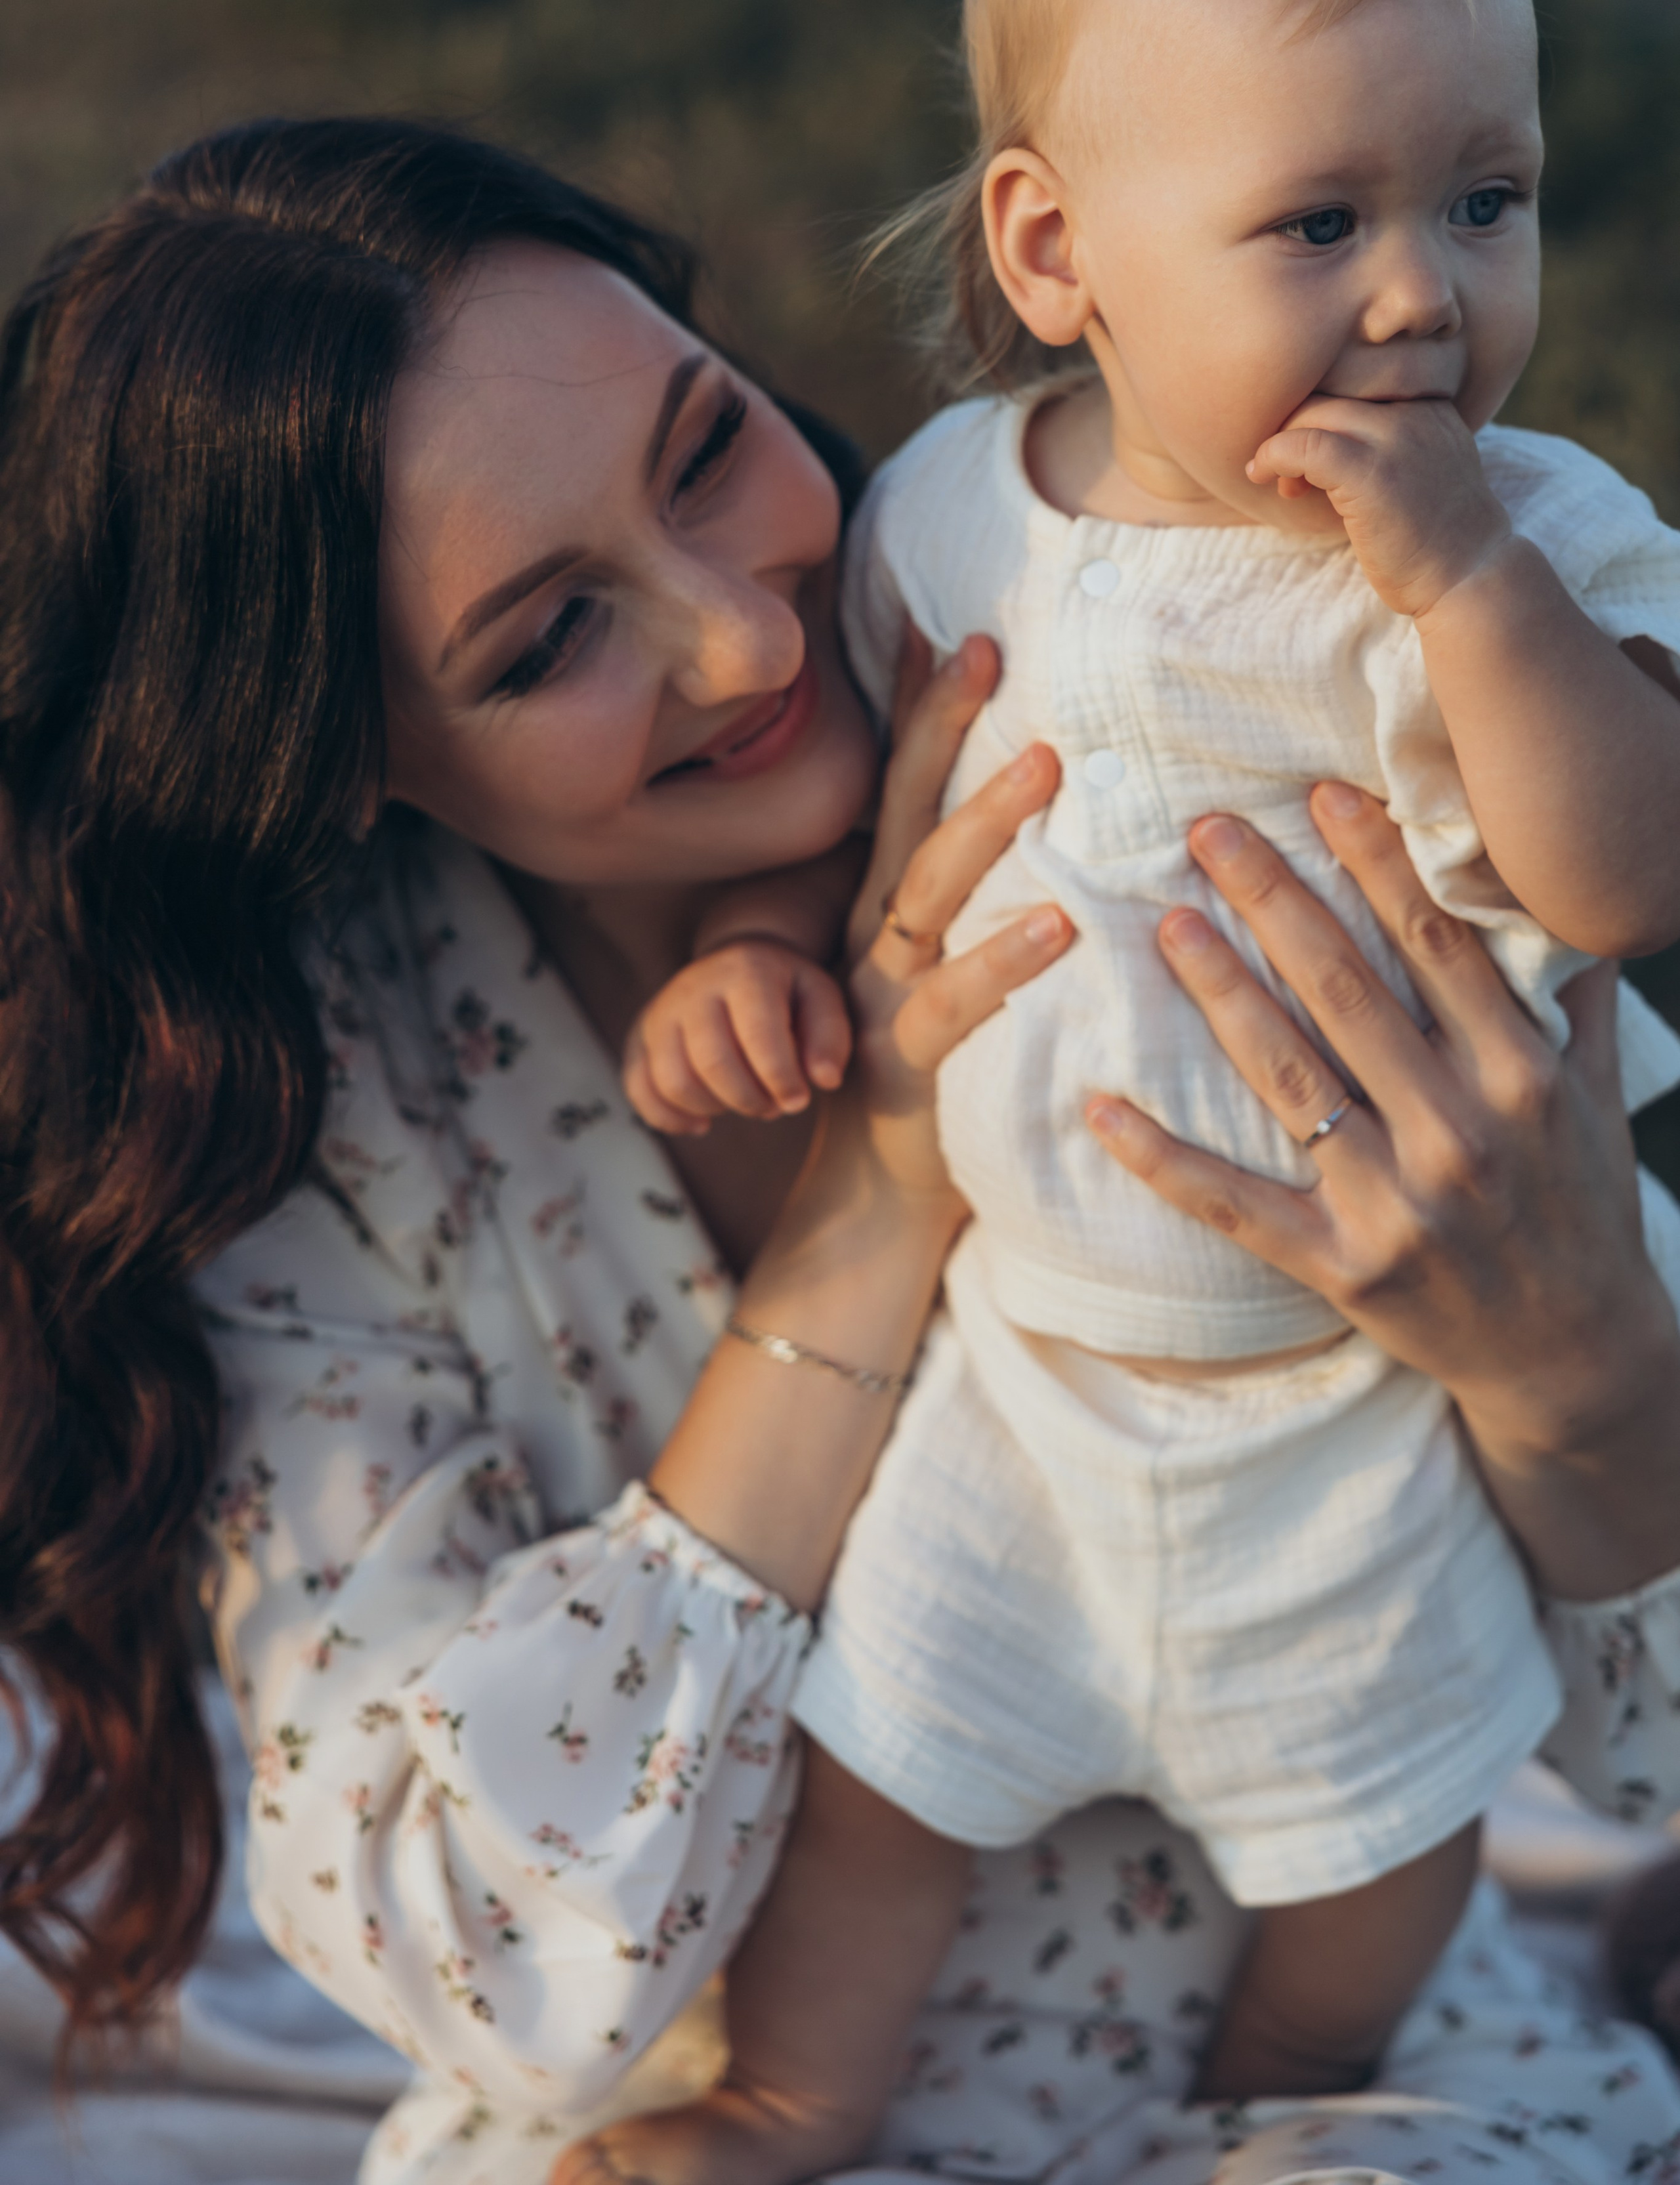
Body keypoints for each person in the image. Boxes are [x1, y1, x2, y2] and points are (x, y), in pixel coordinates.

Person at [0, 118, 1678, 2185]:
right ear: (345, 762)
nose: (746, 643)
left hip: (1343, 2100)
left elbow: (1644, 1758)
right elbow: (485, 1972)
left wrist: (1579, 1371)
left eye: (704, 451)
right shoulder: (323, 1119)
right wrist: (874, 1210)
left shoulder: (1173, 704)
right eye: (548, 640)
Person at [570, 0, 1680, 2182]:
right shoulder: (959, 506)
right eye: (1318, 225)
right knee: (870, 1796)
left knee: (1378, 1863)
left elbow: (1625, 879)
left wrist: (1469, 588)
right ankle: (789, 2103)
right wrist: (754, 956)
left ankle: (1275, 2108)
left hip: (1357, 1404)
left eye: (1488, 199)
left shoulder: (1543, 538)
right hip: (1028, 1392)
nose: (1423, 294)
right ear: (1061, 255)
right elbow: (878, 794)